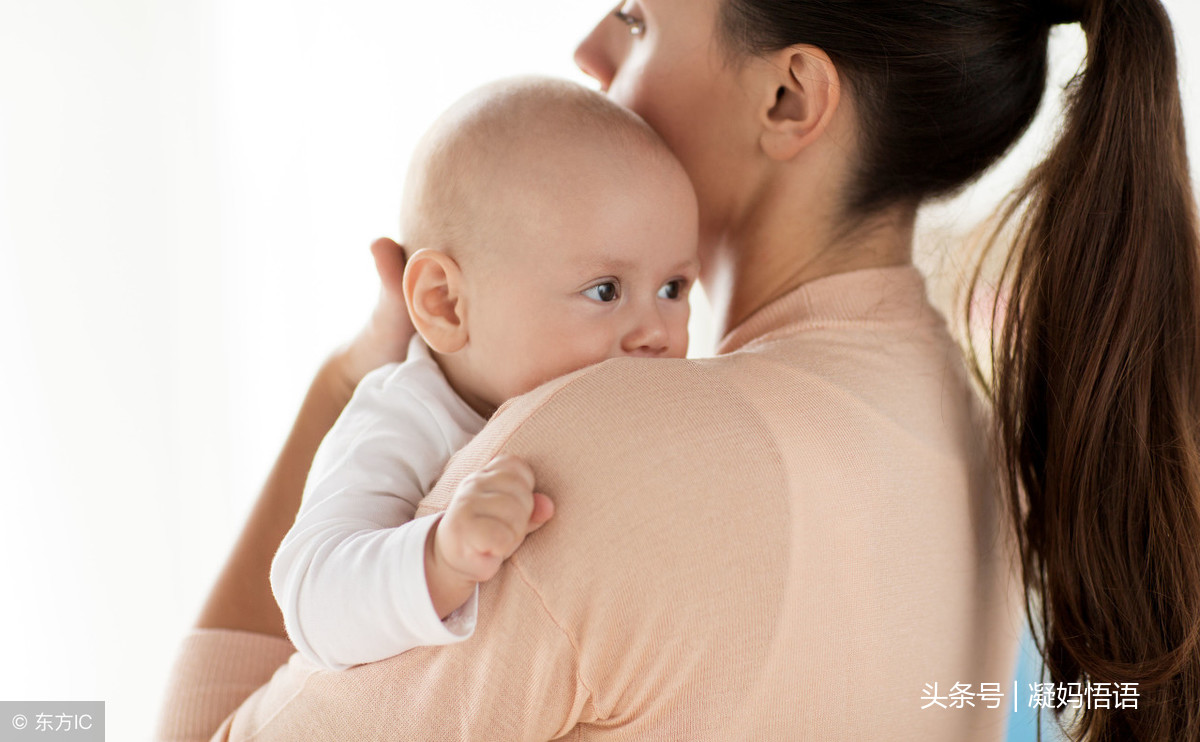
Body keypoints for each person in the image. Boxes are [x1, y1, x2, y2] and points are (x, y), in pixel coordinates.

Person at [156, 0, 1200, 740]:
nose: (590, 47)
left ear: (790, 97)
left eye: (639, 16)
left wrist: (361, 379)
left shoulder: (604, 448)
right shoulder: (968, 430)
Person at [269, 76, 699, 672]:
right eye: (605, 290)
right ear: (447, 304)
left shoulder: (651, 407)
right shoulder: (406, 418)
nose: (657, 331)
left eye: (673, 288)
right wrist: (440, 559)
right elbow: (312, 595)